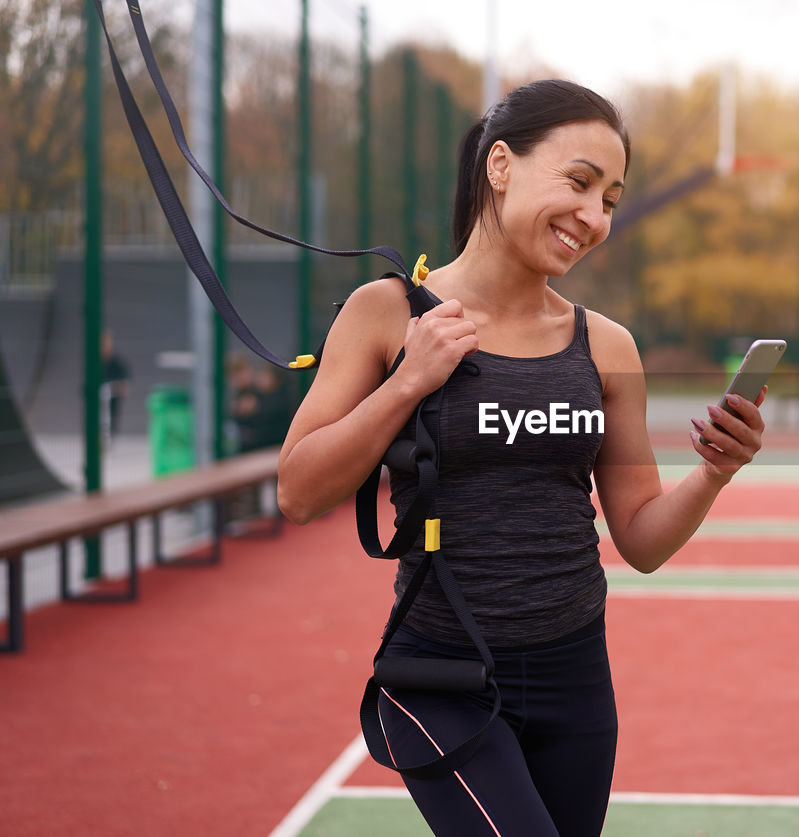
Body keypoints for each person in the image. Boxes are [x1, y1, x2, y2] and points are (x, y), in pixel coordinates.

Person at [276, 79, 767, 837]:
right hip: (441, 673)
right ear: (500, 165)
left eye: (610, 197)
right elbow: (298, 490)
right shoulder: (386, 311)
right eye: (578, 182)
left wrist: (714, 471)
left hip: (576, 678)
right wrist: (409, 380)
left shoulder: (608, 346)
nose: (594, 216)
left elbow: (640, 538)